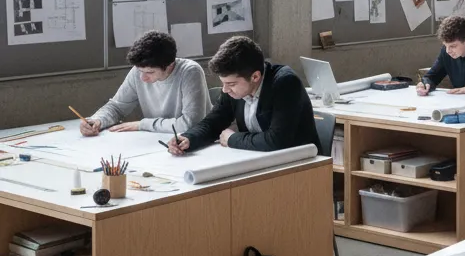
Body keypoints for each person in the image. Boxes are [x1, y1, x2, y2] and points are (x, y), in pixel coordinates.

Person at [169, 35, 317, 155]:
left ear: (255, 77)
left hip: (298, 163)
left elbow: (277, 140)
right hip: (257, 158)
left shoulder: (285, 83)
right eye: (223, 83)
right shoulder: (233, 87)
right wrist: (188, 138)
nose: (225, 90)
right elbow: (214, 122)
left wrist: (233, 139)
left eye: (231, 84)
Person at [80, 30, 210, 136]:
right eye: (140, 70)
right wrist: (97, 120)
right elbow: (117, 107)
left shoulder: (190, 71)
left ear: (170, 65)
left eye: (150, 72)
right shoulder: (139, 70)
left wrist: (141, 124)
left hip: (194, 141)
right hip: (157, 139)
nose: (143, 78)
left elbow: (190, 124)